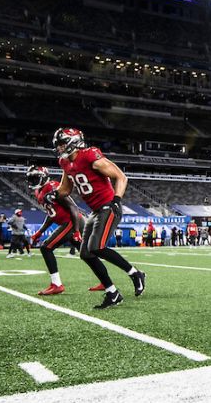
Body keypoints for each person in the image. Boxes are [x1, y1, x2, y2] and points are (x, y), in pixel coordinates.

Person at [54, 127, 146, 309]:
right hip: (95, 211)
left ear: (72, 142)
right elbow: (64, 190)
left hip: (108, 206)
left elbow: (121, 177)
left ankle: (135, 273)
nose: (59, 148)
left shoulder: (90, 156)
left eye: (62, 144)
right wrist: (53, 195)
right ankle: (112, 292)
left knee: (97, 247)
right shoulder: (65, 163)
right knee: (85, 253)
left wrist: (117, 200)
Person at [26, 166, 84, 295]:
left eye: (35, 178)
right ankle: (108, 281)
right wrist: (39, 232)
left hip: (72, 221)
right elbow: (51, 214)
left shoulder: (53, 187)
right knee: (87, 253)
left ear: (44, 177)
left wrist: (76, 231)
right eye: (31, 179)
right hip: (67, 223)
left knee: (46, 248)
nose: (33, 181)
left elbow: (73, 208)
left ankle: (56, 284)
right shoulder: (38, 192)